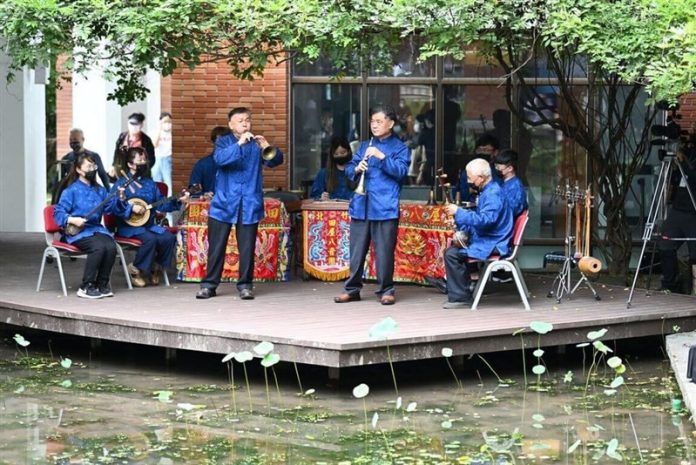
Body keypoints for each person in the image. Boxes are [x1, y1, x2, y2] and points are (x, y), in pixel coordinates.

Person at [195, 107, 284, 300]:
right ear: (231, 125)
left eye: (247, 120)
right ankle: (209, 285)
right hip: (224, 203)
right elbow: (220, 159)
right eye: (241, 120)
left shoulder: (256, 144)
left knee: (247, 248)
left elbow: (276, 161)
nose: (245, 123)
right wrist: (239, 144)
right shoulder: (223, 142)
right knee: (217, 247)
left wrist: (267, 146)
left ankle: (245, 285)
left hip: (249, 203)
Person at [333, 105, 410, 306]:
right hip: (361, 204)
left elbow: (401, 172)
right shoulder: (364, 145)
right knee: (356, 252)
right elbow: (349, 168)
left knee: (384, 252)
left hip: (385, 206)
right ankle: (352, 289)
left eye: (379, 121)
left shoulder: (400, 148)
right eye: (372, 122)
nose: (374, 125)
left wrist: (381, 157)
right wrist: (356, 168)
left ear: (391, 123)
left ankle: (386, 289)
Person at [53, 153, 130, 299]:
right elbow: (58, 213)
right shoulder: (70, 191)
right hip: (77, 232)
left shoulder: (100, 190)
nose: (93, 169)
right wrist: (73, 219)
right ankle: (86, 286)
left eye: (94, 166)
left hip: (95, 229)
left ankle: (102, 284)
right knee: (99, 247)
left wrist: (120, 198)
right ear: (79, 170)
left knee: (111, 246)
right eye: (89, 166)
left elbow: (110, 208)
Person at [439, 158, 513, 309]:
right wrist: (459, 221)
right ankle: (462, 290)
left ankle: (461, 297)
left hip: (495, 242)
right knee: (454, 250)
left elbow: (486, 220)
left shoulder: (493, 193)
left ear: (481, 178)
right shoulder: (489, 190)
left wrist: (458, 212)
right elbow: (481, 220)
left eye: (469, 177)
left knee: (452, 254)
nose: (468, 181)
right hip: (490, 237)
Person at [111, 147, 189, 287]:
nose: (143, 163)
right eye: (139, 160)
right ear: (130, 164)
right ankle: (136, 269)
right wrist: (130, 207)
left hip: (148, 225)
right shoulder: (121, 184)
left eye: (144, 160)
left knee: (168, 237)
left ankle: (155, 266)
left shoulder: (149, 183)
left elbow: (161, 204)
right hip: (129, 227)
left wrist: (178, 200)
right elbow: (111, 207)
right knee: (150, 239)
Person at [659, 144, 696, 293]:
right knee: (665, 243)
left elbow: (693, 177)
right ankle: (670, 284)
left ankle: (694, 289)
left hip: (693, 212)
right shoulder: (688, 154)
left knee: (695, 252)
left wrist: (683, 162)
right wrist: (675, 166)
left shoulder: (688, 161)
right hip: (677, 210)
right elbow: (675, 181)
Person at [454, 133, 501, 203]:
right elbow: (458, 193)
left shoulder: (498, 171)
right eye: (480, 150)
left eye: (486, 150)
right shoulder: (468, 171)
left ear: (495, 152)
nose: (482, 153)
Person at [189, 126, 230, 197]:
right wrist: (203, 194)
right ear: (213, 143)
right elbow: (193, 189)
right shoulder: (202, 164)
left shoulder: (237, 164)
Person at [493, 149, 528, 217]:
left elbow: (509, 212)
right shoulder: (505, 183)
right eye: (495, 166)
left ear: (510, 168)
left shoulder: (515, 187)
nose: (496, 169)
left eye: (498, 167)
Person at [152, 112, 173, 198]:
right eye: (165, 121)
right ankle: (157, 208)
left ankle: (169, 209)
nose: (167, 124)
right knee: (156, 184)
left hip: (168, 159)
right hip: (157, 159)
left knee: (168, 184)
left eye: (169, 121)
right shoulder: (155, 132)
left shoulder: (172, 133)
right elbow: (154, 144)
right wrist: (159, 129)